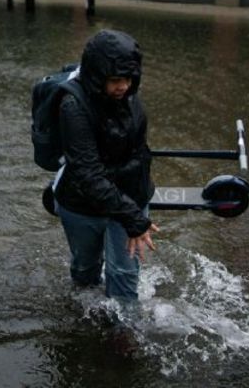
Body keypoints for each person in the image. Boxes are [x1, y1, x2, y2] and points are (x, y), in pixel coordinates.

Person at [54, 29, 159, 302]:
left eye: (128, 78)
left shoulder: (130, 96)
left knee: (124, 275)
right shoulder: (73, 107)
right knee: (85, 270)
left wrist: (135, 210)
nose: (122, 86)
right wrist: (133, 216)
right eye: (114, 80)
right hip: (82, 203)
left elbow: (139, 153)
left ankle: (124, 335)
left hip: (128, 198)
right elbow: (88, 174)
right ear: (96, 77)